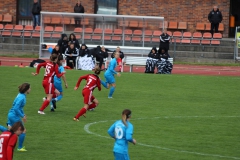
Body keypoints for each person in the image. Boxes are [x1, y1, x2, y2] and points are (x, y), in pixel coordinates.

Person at [4, 83, 31, 152]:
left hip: (11, 114)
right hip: (14, 116)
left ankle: (8, 144)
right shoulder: (22, 97)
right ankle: (20, 147)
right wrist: (22, 116)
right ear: (27, 89)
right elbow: (16, 108)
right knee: (23, 130)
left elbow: (19, 107)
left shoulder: (21, 95)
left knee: (10, 131)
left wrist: (23, 114)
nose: (30, 90)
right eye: (29, 88)